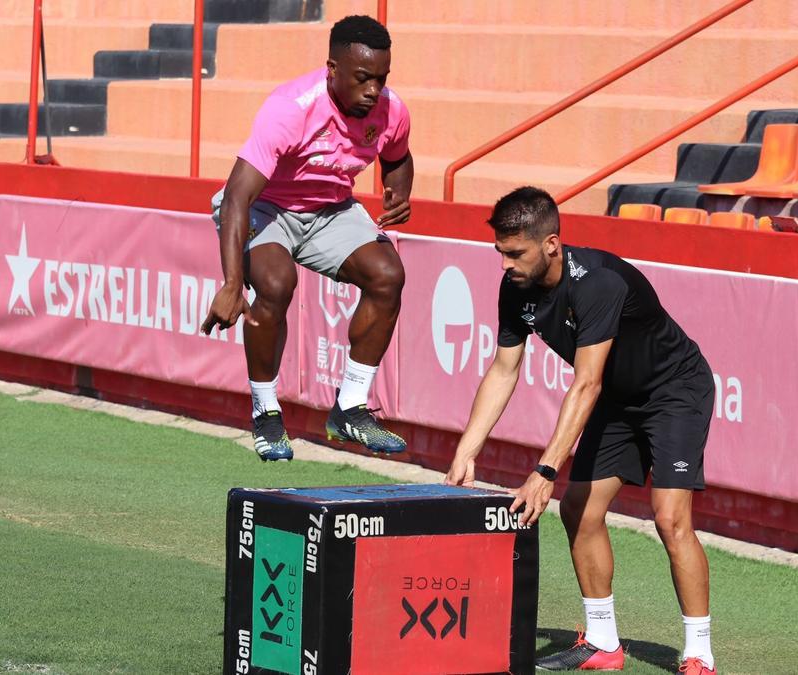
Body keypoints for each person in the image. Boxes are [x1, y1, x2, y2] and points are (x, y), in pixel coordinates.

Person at [445, 187, 717, 674]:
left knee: (670, 518)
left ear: (551, 244)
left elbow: (586, 382)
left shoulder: (597, 283)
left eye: (515, 253)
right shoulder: (515, 288)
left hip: (673, 391)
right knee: (579, 509)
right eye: (500, 253)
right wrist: (467, 449)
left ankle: (699, 652)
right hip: (617, 398)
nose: (505, 264)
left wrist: (545, 469)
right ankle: (602, 641)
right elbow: (504, 369)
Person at [201, 15, 414, 462]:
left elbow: (399, 155)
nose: (373, 90)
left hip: (330, 210)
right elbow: (238, 197)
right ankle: (265, 411)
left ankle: (351, 407)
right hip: (265, 207)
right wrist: (232, 284)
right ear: (332, 69)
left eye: (381, 78)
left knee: (388, 273)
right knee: (277, 285)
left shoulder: (391, 110)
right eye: (362, 78)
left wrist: (400, 190)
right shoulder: (291, 108)